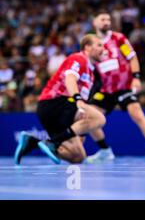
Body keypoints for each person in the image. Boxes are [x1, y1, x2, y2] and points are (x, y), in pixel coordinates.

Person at [86, 10, 145, 163]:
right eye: (102, 19)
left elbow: (132, 57)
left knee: (137, 114)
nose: (106, 22)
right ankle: (104, 151)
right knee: (90, 117)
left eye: (108, 19)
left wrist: (136, 77)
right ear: (94, 23)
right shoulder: (93, 44)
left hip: (124, 85)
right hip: (106, 89)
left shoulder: (118, 39)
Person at [14, 34, 106, 165]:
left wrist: (80, 132)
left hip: (65, 110)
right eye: (99, 45)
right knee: (99, 118)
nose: (103, 48)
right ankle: (53, 142)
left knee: (78, 156)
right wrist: (78, 99)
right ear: (87, 47)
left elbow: (81, 118)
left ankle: (33, 143)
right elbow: (70, 79)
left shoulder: (91, 74)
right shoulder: (79, 58)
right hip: (54, 103)